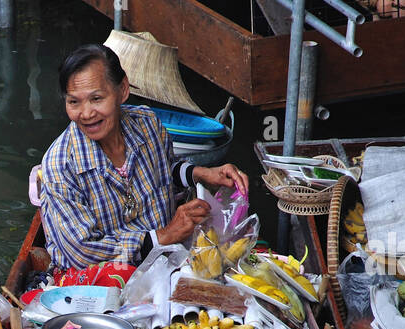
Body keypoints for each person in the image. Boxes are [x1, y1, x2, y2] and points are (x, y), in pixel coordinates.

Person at [39, 43, 249, 272]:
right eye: (74, 102)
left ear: (123, 90)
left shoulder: (147, 124)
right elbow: (81, 253)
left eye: (96, 98)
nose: (87, 113)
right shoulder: (60, 164)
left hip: (166, 263)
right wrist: (163, 236)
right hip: (102, 283)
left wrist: (202, 174)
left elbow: (162, 168)